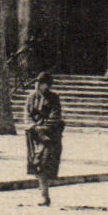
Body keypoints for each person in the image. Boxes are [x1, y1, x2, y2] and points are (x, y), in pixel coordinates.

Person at [25, 72, 64, 206]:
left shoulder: (54, 98)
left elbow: (55, 116)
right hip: (34, 135)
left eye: (41, 83)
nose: (38, 85)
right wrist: (33, 126)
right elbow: (27, 114)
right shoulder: (31, 98)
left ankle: (45, 195)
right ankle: (44, 195)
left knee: (44, 164)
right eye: (37, 83)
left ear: (47, 85)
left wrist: (44, 128)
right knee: (37, 164)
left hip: (49, 136)